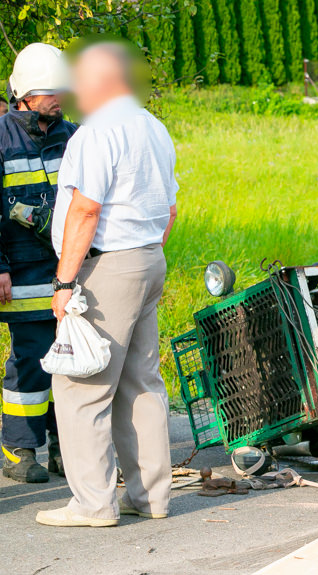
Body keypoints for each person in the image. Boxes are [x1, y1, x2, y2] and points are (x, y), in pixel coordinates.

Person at [36, 40, 178, 527]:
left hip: (107, 265)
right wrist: (145, 251)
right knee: (140, 381)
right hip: (148, 259)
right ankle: (151, 496)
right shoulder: (152, 127)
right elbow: (170, 208)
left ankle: (94, 504)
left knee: (80, 385)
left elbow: (86, 209)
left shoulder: (95, 134)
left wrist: (64, 280)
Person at [0, 43, 76, 483]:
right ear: (24, 93)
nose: (58, 98)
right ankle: (19, 450)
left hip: (69, 271)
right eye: (50, 91)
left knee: (70, 360)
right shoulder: (2, 139)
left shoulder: (75, 135)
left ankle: (66, 448)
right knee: (31, 359)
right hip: (22, 273)